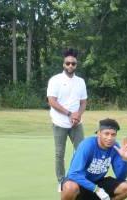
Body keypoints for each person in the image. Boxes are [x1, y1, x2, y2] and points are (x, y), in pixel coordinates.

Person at [61, 118, 127, 200]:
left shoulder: (115, 147)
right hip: (80, 183)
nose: (110, 138)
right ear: (99, 133)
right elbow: (73, 174)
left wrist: (125, 160)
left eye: (113, 134)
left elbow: (121, 177)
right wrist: (97, 189)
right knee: (69, 187)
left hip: (98, 182)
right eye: (106, 134)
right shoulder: (87, 145)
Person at [47, 48, 87, 191]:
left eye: (73, 64)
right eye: (68, 63)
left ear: (76, 65)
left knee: (82, 151)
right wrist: (70, 114)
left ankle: (81, 178)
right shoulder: (55, 80)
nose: (70, 66)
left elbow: (83, 102)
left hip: (76, 123)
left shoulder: (80, 82)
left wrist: (78, 115)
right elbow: (52, 101)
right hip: (60, 122)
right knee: (60, 153)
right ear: (63, 64)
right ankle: (61, 181)